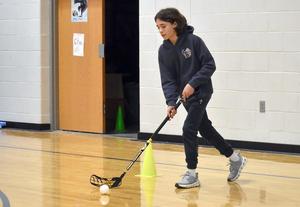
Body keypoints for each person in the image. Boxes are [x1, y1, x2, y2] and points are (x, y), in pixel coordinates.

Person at [154, 8, 247, 189]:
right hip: (186, 98)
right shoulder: (163, 51)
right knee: (205, 129)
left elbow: (209, 65)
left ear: (174, 23)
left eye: (163, 26)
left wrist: (192, 83)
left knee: (189, 129)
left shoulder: (193, 41)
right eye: (157, 27)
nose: (160, 30)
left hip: (201, 92)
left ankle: (191, 174)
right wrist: (171, 102)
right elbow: (168, 80)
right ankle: (235, 158)